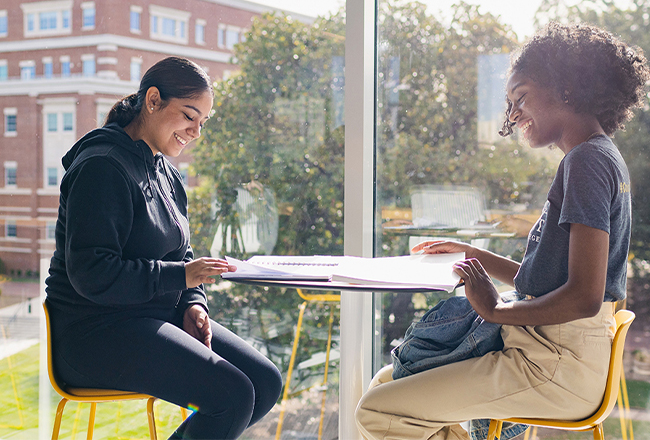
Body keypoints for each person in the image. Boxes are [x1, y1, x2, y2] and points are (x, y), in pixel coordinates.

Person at [355, 22, 649, 440]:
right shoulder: (598, 158)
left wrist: (494, 311)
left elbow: (584, 297)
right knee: (388, 386)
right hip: (553, 353)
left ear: (566, 88)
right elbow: (549, 279)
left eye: (521, 98)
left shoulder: (586, 163)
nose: (512, 115)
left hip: (554, 364)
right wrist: (469, 254)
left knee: (378, 412)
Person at [45, 56, 282, 440]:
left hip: (153, 315)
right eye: (190, 116)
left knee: (264, 382)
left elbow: (182, 255)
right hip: (93, 332)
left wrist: (193, 303)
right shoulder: (101, 167)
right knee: (233, 395)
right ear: (153, 101)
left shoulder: (165, 172)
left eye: (202, 122)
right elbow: (92, 272)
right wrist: (182, 277)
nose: (196, 132)